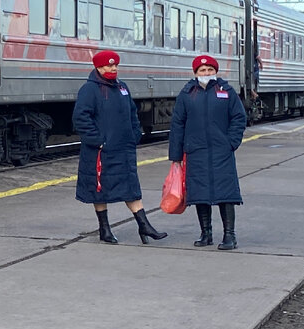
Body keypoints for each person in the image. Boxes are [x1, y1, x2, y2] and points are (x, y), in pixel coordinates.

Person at [73, 50, 169, 244]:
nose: (113, 68)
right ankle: (105, 229)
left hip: (123, 148)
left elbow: (133, 113)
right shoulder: (89, 90)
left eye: (115, 65)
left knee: (130, 186)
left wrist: (135, 134)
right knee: (98, 188)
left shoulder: (122, 87)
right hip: (101, 151)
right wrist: (98, 140)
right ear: (98, 67)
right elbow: (81, 118)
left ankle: (144, 225)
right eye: (109, 66)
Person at [168, 54, 247, 250]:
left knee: (226, 194)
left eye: (210, 70)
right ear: (195, 73)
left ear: (216, 72)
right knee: (200, 193)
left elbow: (239, 117)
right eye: (202, 70)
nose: (206, 73)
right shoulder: (187, 94)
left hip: (222, 151)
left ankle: (230, 236)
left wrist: (232, 142)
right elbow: (178, 124)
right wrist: (176, 155)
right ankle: (206, 234)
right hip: (196, 151)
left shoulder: (226, 92)